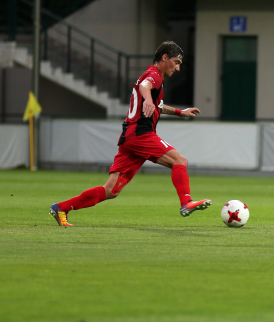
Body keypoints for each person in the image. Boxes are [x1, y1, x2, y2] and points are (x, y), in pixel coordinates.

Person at [49, 41, 211, 226]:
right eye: (176, 62)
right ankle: (186, 202)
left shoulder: (154, 77)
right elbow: (144, 86)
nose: (178, 68)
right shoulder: (154, 75)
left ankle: (61, 208)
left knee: (111, 190)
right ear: (164, 58)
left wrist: (179, 112)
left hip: (130, 138)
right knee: (180, 161)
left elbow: (156, 104)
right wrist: (148, 100)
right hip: (141, 134)